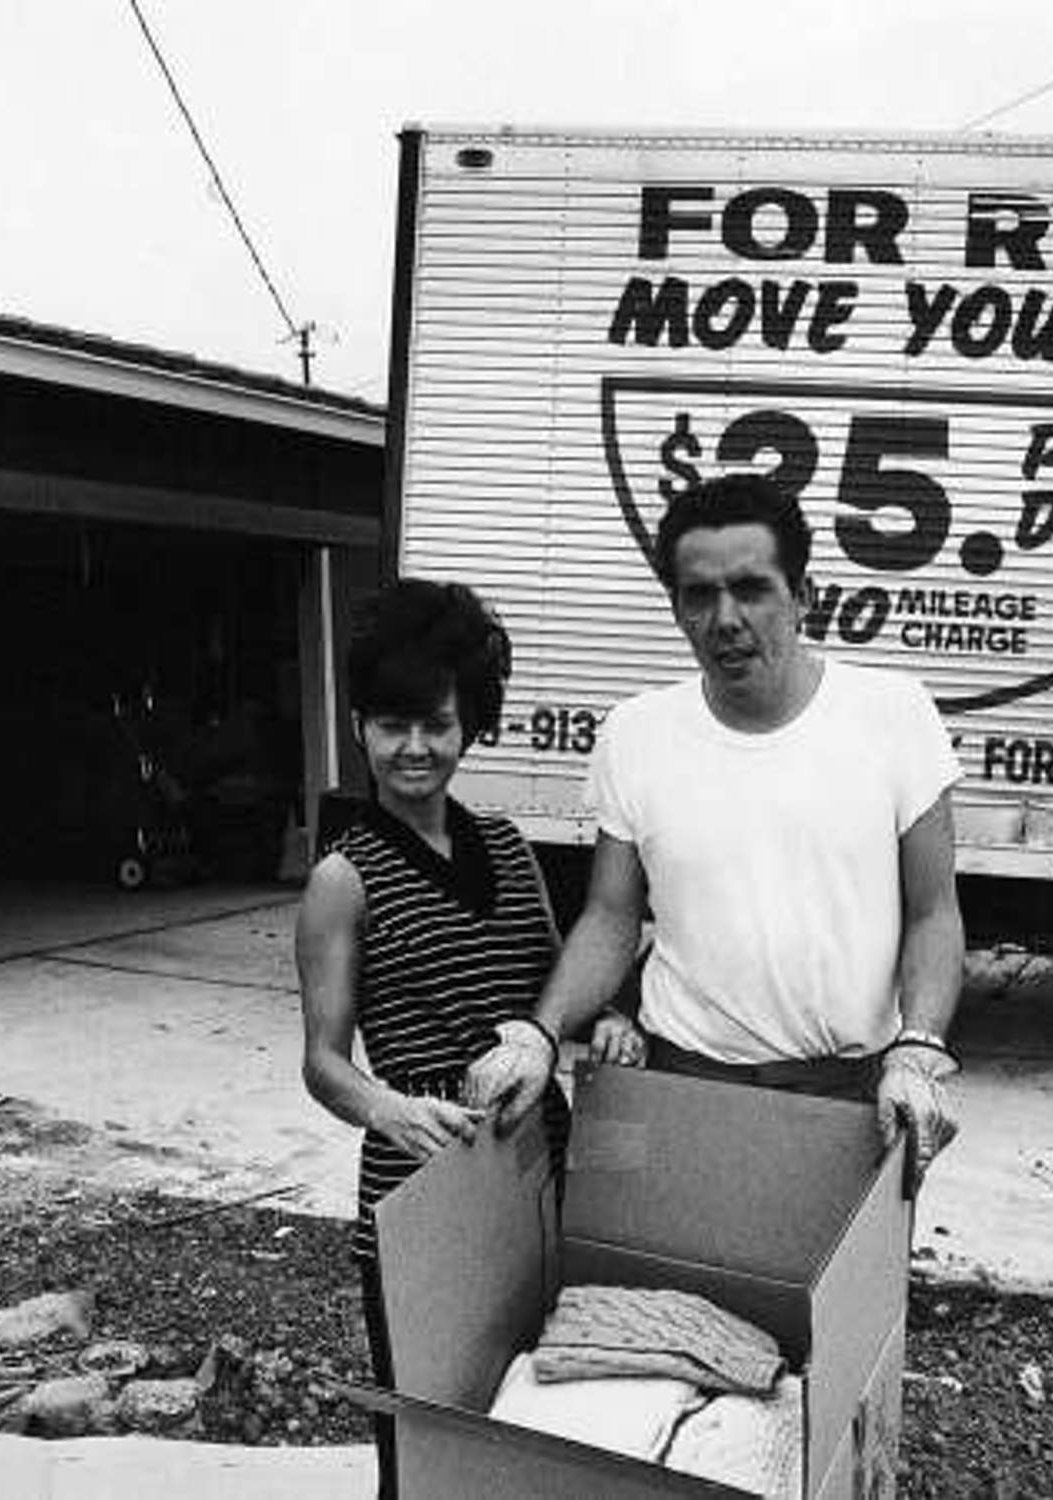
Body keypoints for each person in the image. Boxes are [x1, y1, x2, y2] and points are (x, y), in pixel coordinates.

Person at [465, 471, 965, 1180]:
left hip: (848, 1098)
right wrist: (538, 1035)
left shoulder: (894, 715)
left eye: (751, 588)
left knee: (833, 1261)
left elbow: (934, 912)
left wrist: (918, 1048)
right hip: (677, 1085)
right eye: (700, 595)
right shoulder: (636, 732)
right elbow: (611, 916)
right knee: (648, 1258)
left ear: (802, 595)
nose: (726, 618)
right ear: (676, 608)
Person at [297, 577, 588, 1498]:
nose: (414, 747)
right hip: (419, 1182)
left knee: (528, 1419)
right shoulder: (343, 879)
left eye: (437, 723)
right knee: (424, 1438)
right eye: (393, 725)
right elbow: (323, 1062)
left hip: (534, 1168)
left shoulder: (508, 845)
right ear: (359, 727)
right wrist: (386, 1109)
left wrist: (606, 1025)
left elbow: (558, 998)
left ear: (471, 725)